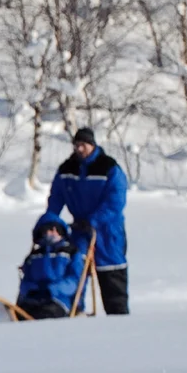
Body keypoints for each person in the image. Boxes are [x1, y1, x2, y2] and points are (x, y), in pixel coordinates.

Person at [43, 126, 128, 314]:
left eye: (84, 145)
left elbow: (115, 202)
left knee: (112, 278)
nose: (80, 149)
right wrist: (50, 221)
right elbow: (56, 196)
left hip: (107, 233)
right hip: (80, 232)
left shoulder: (109, 168)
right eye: (76, 145)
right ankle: (74, 312)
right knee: (74, 271)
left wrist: (93, 221)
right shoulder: (67, 169)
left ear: (92, 145)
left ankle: (119, 321)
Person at [16, 214, 91, 320]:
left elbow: (75, 281)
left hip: (60, 300)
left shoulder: (71, 253)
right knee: (17, 314)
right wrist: (31, 289)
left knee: (45, 314)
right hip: (34, 299)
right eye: (49, 229)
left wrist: (52, 289)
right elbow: (25, 281)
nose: (53, 232)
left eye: (57, 229)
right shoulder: (34, 256)